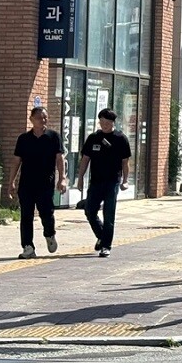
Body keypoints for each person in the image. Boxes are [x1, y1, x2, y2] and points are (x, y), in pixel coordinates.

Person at [10, 105, 67, 259]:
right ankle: (28, 247)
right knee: (26, 215)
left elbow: (59, 159)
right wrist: (11, 182)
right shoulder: (23, 139)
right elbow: (16, 161)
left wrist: (62, 178)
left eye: (44, 117)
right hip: (26, 183)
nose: (42, 120)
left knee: (46, 213)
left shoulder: (53, 136)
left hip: (45, 183)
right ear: (31, 120)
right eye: (39, 118)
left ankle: (49, 234)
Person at [76, 108, 131, 258]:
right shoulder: (93, 138)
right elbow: (85, 159)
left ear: (113, 122)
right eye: (102, 122)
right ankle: (101, 235)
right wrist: (80, 178)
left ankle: (106, 245)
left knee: (109, 213)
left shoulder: (121, 139)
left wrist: (125, 180)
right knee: (89, 211)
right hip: (96, 181)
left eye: (107, 122)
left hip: (113, 181)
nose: (104, 125)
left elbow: (125, 162)